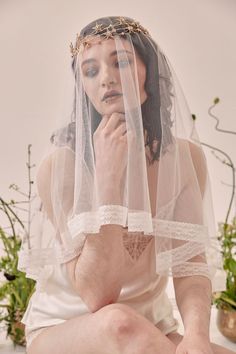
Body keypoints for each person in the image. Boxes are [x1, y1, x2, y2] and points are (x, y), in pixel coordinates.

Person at [18, 16, 234, 354]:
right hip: (67, 327)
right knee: (117, 320)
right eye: (90, 71)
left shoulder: (185, 159)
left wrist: (195, 335)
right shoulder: (60, 168)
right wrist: (107, 182)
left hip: (150, 327)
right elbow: (96, 296)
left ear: (149, 70)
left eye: (120, 62)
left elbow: (189, 264)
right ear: (83, 88)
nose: (106, 79)